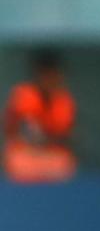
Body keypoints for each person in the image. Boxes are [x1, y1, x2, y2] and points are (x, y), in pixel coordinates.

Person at [3, 49, 77, 183]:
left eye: (53, 74)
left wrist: (47, 139)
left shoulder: (63, 99)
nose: (49, 79)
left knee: (64, 162)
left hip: (51, 154)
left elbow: (66, 136)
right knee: (18, 161)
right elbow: (28, 132)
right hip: (26, 153)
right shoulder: (24, 94)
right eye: (46, 75)